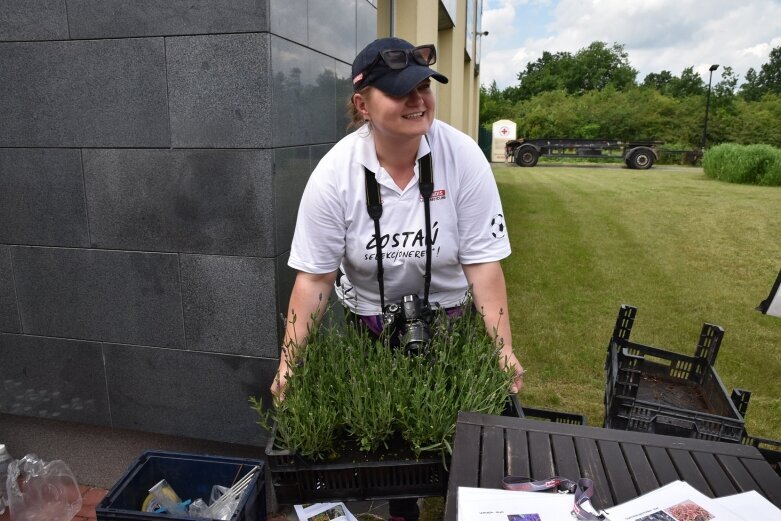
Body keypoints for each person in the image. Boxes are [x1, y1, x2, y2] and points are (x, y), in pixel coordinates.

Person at [271, 37, 524, 521]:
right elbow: (315, 280)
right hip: (371, 320)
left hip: (449, 318)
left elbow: (483, 265)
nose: (418, 100)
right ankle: (403, 508)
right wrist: (289, 365)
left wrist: (502, 349)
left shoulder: (463, 156)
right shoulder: (334, 175)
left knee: (452, 429)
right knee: (388, 438)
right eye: (400, 91)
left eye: (424, 86)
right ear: (362, 105)